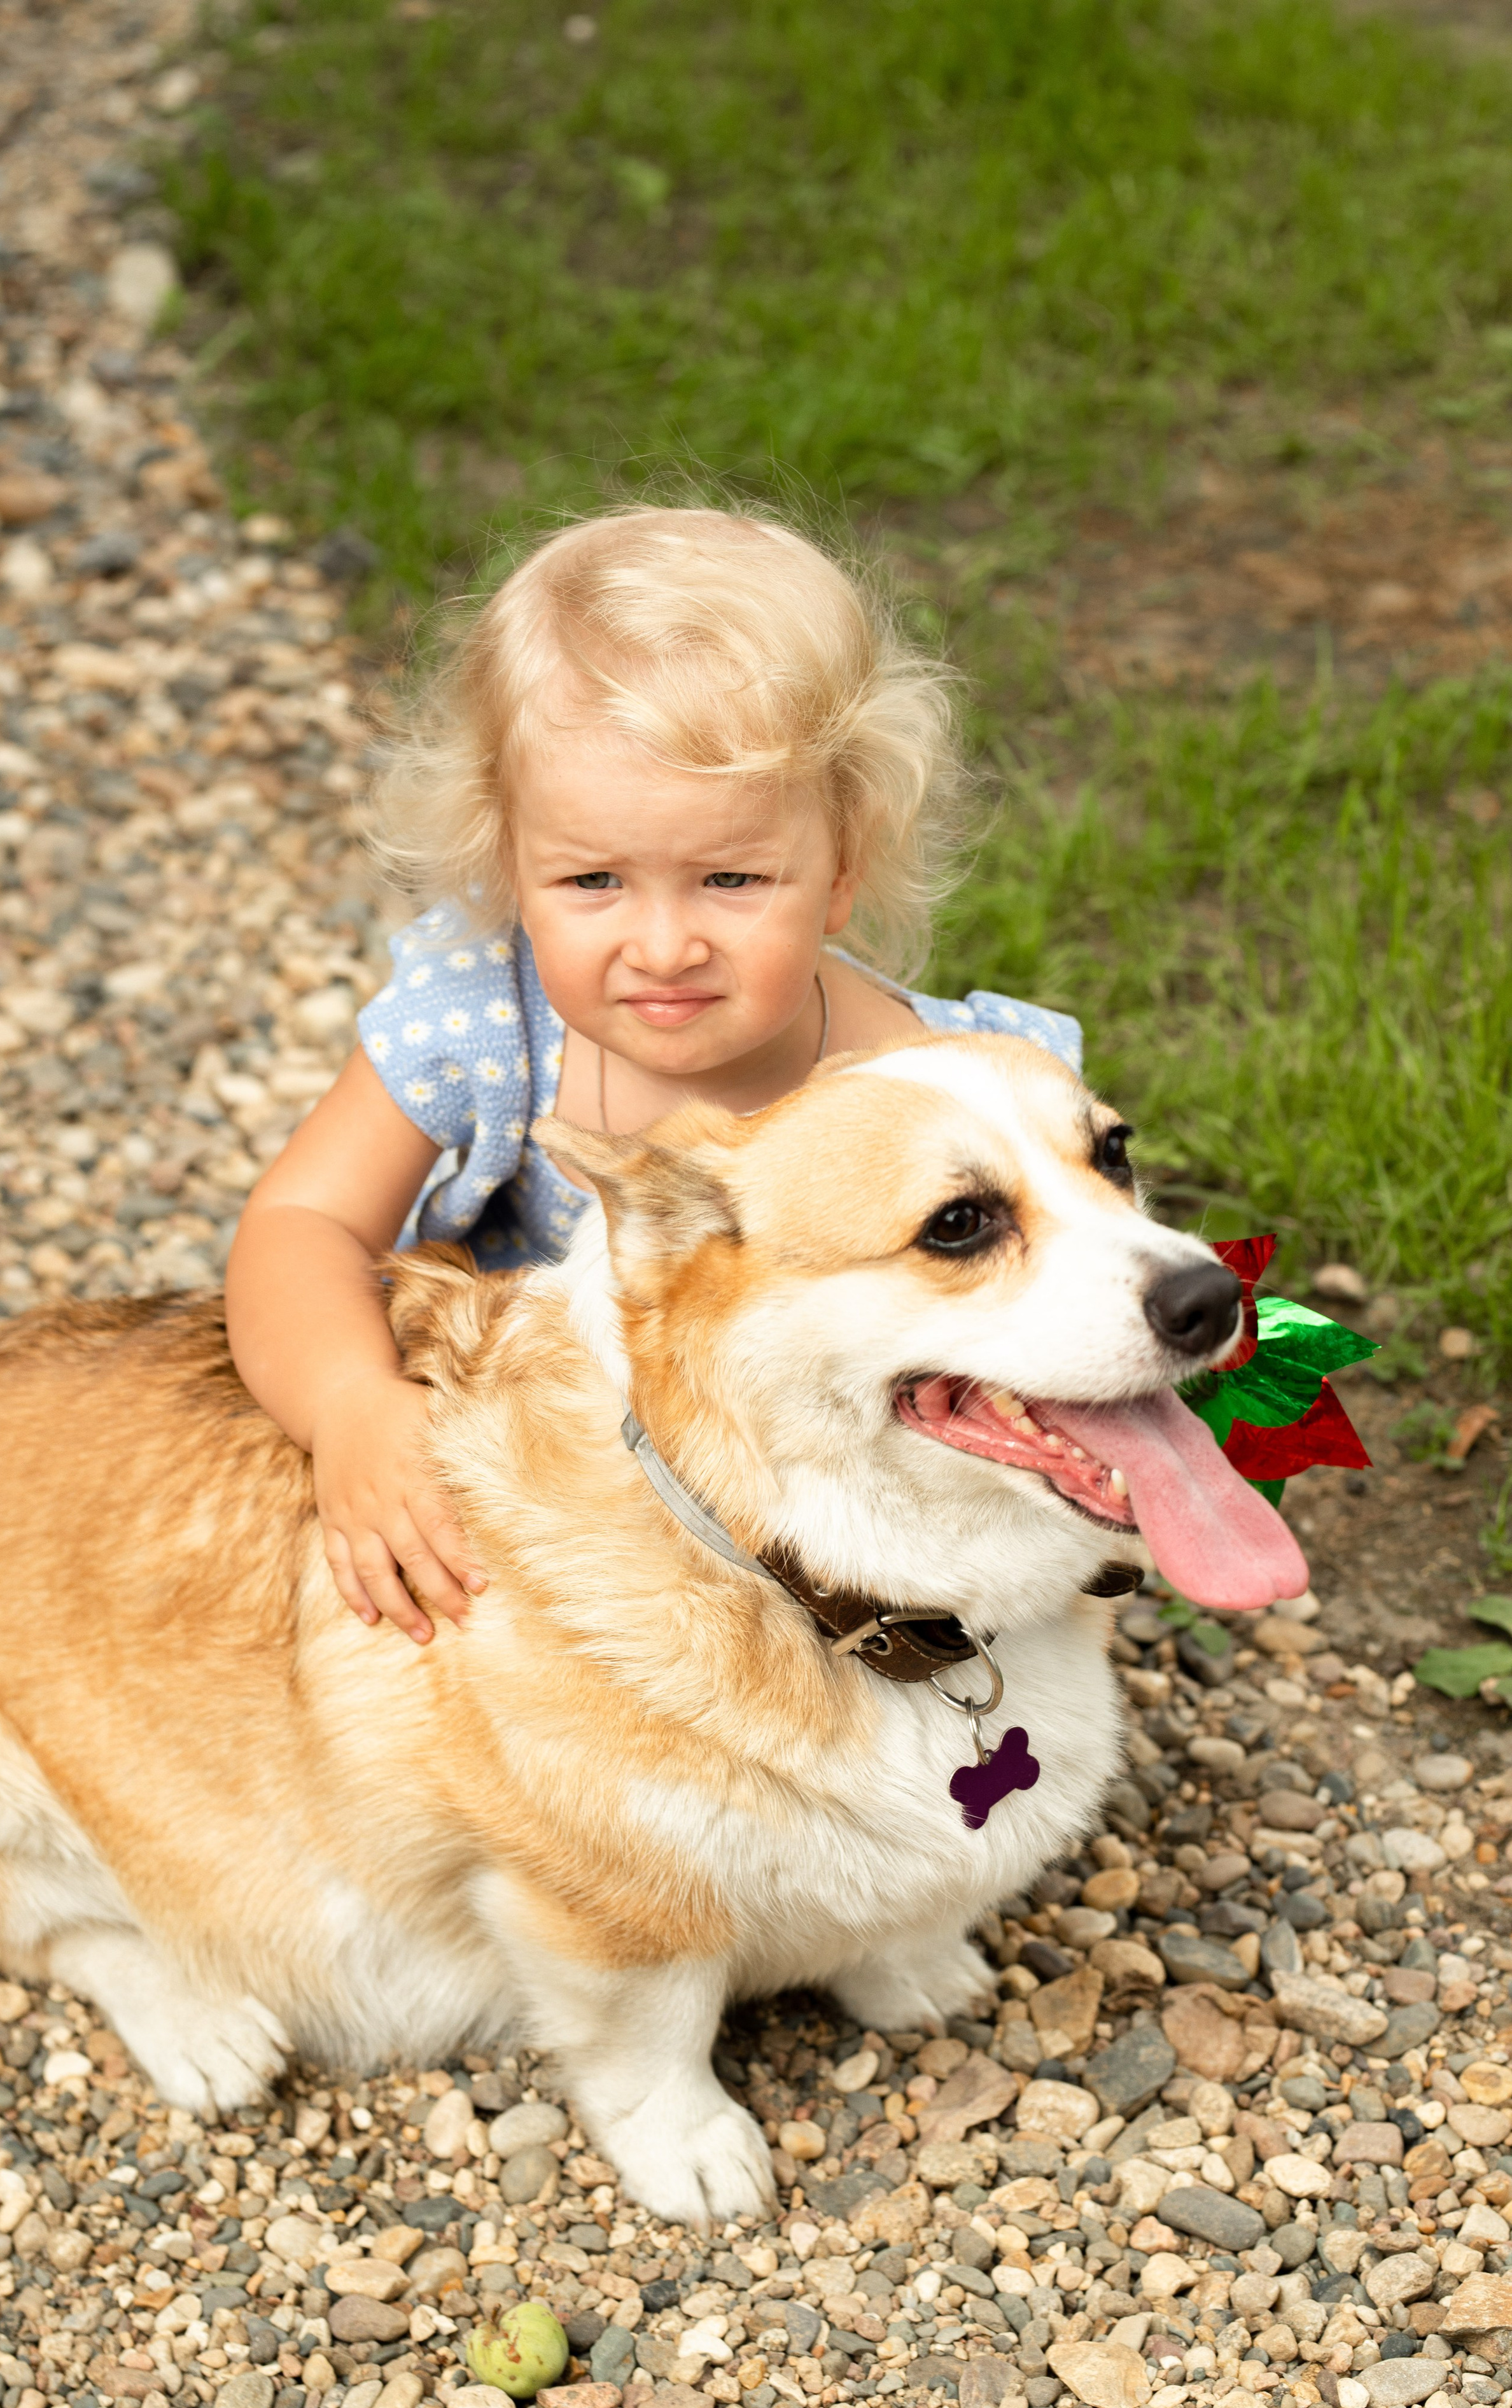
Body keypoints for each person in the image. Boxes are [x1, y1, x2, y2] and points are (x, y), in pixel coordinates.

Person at [225, 505, 1079, 1644]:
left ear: (842, 869)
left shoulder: (935, 1095)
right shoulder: (490, 1031)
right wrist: (349, 1407)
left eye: (731, 878)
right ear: (505, 858)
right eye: (591, 881)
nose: (665, 945)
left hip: (832, 1512)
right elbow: (303, 1219)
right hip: (545, 1471)